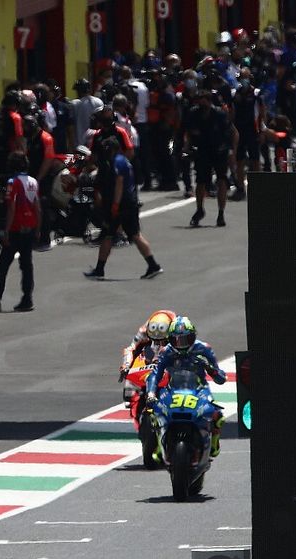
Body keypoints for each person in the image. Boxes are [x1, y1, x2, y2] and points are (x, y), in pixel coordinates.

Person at [145, 316, 227, 457]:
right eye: (176, 340)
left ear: (193, 336)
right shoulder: (166, 352)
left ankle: (214, 442)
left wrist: (210, 368)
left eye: (185, 339)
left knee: (217, 415)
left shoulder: (204, 349)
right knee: (154, 413)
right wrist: (151, 393)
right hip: (173, 388)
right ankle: (160, 446)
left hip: (199, 388)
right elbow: (155, 374)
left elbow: (221, 378)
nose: (181, 344)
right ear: (170, 339)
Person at [83, 137, 162, 281]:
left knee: (108, 234)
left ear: (113, 148)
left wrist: (115, 205)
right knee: (134, 235)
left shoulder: (117, 161)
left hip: (121, 205)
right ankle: (153, 265)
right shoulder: (121, 160)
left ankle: (100, 269)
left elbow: (119, 183)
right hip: (128, 204)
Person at [0, 152, 38, 313]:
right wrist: (37, 228)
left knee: (2, 266)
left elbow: (11, 207)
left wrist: (6, 231)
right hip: (29, 228)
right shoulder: (33, 181)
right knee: (27, 266)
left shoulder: (13, 182)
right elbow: (37, 206)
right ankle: (27, 299)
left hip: (16, 229)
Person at [119, 309, 176, 431]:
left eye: (162, 339)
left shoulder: (176, 331)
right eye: (154, 338)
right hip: (148, 359)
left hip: (168, 360)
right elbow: (131, 348)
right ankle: (133, 401)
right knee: (128, 389)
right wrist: (126, 366)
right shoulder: (143, 331)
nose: (157, 341)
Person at [183, 88, 232, 226]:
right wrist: (187, 148)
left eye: (203, 102)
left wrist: (230, 150)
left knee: (221, 179)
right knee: (200, 181)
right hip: (202, 150)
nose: (201, 105)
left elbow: (231, 132)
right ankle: (199, 209)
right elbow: (189, 132)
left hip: (219, 150)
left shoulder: (220, 114)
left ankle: (221, 213)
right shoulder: (194, 113)